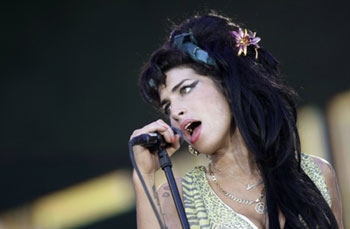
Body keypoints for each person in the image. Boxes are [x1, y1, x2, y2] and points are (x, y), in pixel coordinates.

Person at [130, 12, 343, 228]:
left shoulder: (316, 175)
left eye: (186, 89)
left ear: (227, 85)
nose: (175, 112)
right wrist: (143, 177)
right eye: (167, 106)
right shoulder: (177, 199)